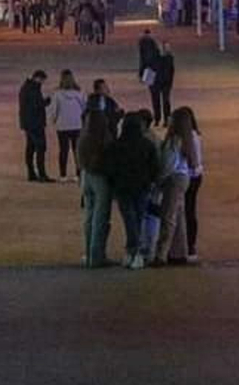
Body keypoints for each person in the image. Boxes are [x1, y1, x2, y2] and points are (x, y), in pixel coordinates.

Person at [109, 111, 160, 269]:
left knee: (130, 220)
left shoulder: (116, 146)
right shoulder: (147, 144)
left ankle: (133, 251)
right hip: (142, 187)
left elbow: (110, 168)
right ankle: (135, 252)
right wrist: (150, 181)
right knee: (137, 218)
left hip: (122, 187)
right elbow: (155, 167)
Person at [152, 110, 193, 266]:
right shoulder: (189, 138)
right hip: (183, 177)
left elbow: (167, 165)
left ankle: (161, 254)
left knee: (168, 217)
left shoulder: (174, 141)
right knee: (179, 216)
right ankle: (179, 252)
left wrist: (158, 180)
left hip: (174, 180)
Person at [76, 106, 113, 267]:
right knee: (101, 218)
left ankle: (89, 253)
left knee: (89, 217)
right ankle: (97, 256)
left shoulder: (83, 137)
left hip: (86, 177)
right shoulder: (104, 138)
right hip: (100, 178)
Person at [174, 104, 204, 262]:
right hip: (196, 176)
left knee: (181, 212)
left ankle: (183, 247)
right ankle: (190, 246)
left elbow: (192, 160)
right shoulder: (196, 135)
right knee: (190, 210)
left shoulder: (184, 138)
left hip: (187, 176)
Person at [48, 69, 86, 180]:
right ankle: (78, 173)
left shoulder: (57, 94)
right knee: (77, 150)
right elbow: (84, 107)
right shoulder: (80, 93)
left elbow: (54, 110)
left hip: (62, 126)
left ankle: (63, 174)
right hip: (77, 125)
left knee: (63, 150)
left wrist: (53, 120)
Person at [19, 68, 51, 182]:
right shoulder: (32, 89)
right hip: (35, 123)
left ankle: (31, 173)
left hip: (28, 123)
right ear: (38, 78)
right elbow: (37, 104)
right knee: (40, 148)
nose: (42, 83)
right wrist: (48, 101)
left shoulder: (27, 87)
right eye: (42, 80)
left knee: (30, 148)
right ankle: (41, 174)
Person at [87, 77, 123, 141]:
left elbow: (117, 113)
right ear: (97, 90)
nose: (107, 89)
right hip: (96, 132)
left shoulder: (110, 101)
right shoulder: (91, 101)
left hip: (110, 130)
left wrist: (119, 113)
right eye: (104, 87)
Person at [152, 39, 176, 124]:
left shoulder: (169, 58)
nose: (165, 49)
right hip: (156, 82)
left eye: (166, 47)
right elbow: (150, 69)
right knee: (156, 101)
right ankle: (157, 119)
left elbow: (171, 71)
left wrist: (170, 82)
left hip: (166, 83)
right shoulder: (154, 57)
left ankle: (166, 119)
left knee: (166, 101)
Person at [138, 27, 161, 98]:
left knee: (146, 69)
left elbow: (141, 51)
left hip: (146, 59)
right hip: (151, 59)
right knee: (150, 70)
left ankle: (147, 81)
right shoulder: (152, 40)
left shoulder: (142, 40)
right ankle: (150, 82)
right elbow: (157, 50)